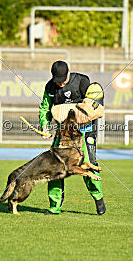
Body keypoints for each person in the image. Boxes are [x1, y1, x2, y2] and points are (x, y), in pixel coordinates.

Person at [39, 60, 106, 215]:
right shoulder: (50, 87)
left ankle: (98, 197)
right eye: (57, 80)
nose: (60, 84)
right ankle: (55, 206)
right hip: (64, 134)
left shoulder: (82, 81)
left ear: (69, 73)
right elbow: (45, 108)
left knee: (90, 163)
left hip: (85, 131)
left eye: (63, 80)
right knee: (55, 167)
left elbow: (93, 106)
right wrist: (44, 124)